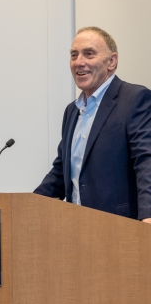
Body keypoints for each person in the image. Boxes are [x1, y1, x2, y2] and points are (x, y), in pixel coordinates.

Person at [34, 26, 151, 222]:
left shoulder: (134, 99)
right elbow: (61, 172)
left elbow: (146, 161)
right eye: (74, 55)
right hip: (78, 229)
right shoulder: (72, 111)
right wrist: (27, 206)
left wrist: (149, 216)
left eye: (89, 54)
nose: (79, 62)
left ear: (111, 61)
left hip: (121, 228)